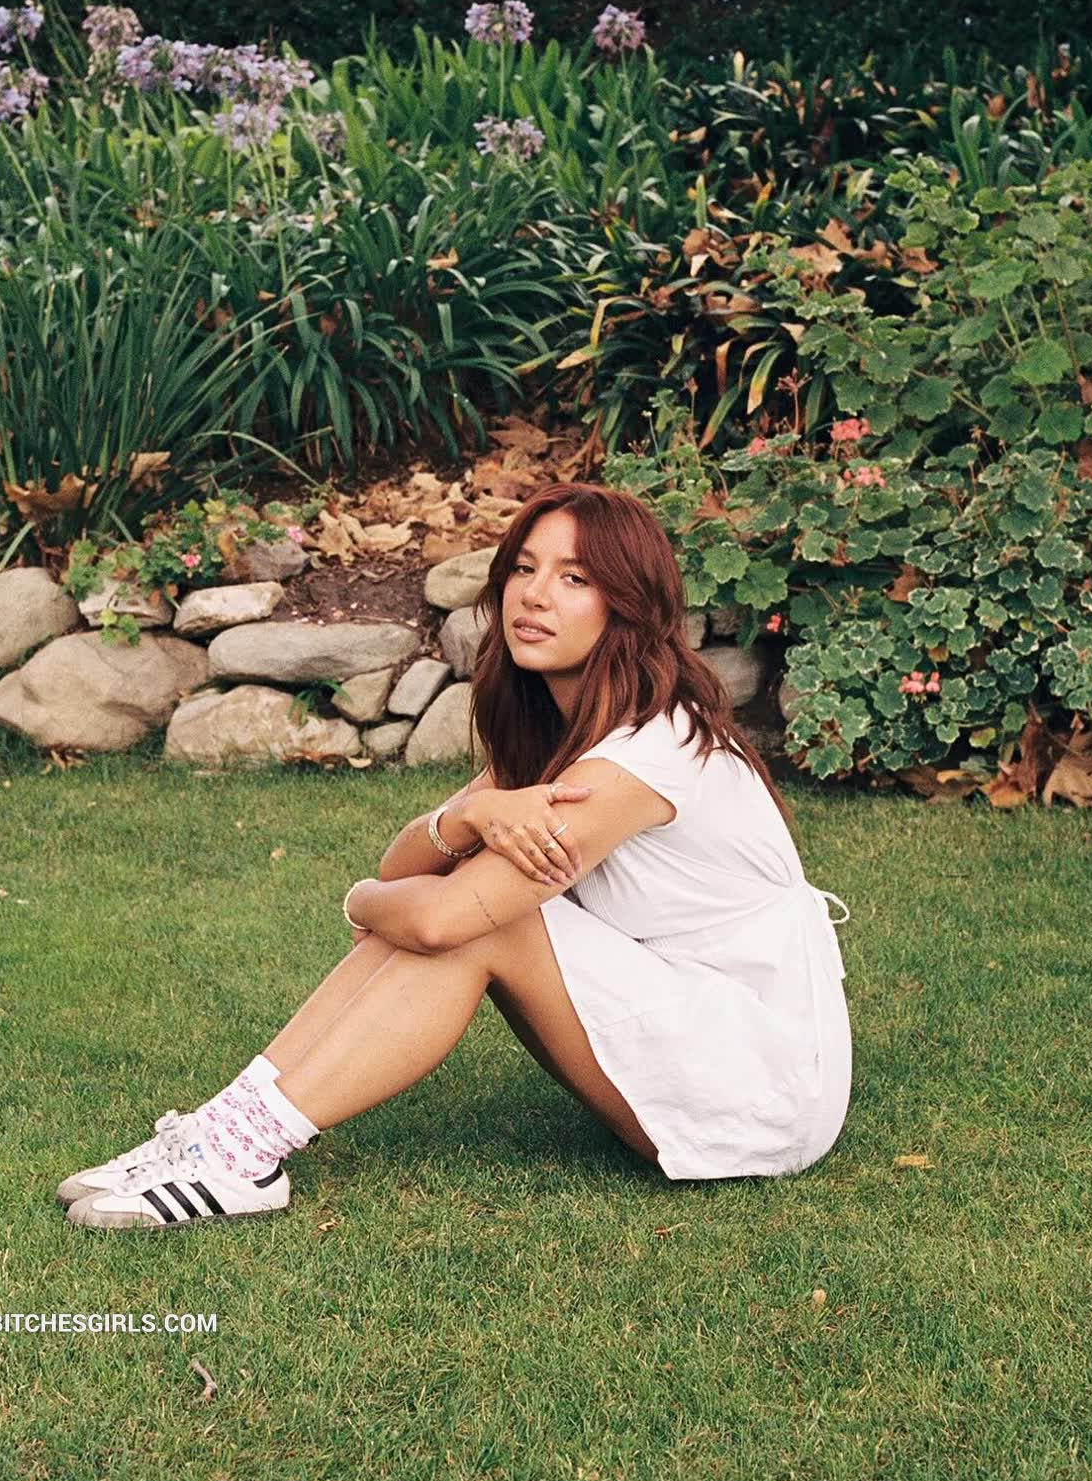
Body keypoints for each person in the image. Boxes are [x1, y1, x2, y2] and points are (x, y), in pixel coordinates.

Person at [59, 481, 851, 1229]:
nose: (534, 595)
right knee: (471, 910)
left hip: (762, 1087)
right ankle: (221, 1134)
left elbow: (434, 918)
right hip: (683, 1033)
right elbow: (407, 867)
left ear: (629, 608)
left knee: (488, 922)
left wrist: (359, 902)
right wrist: (469, 813)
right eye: (525, 569)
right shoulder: (559, 735)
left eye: (574, 579)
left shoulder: (646, 754)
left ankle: (244, 1152)